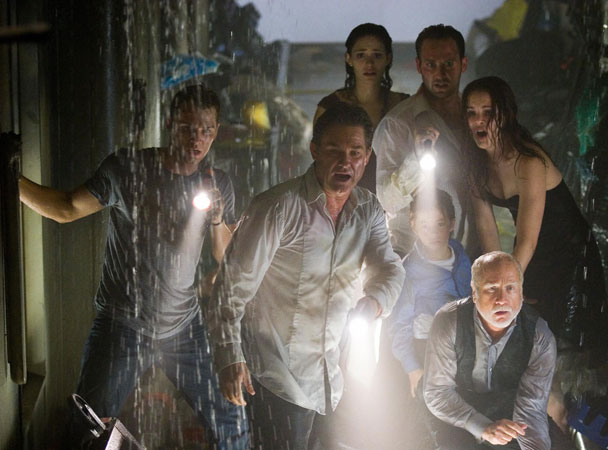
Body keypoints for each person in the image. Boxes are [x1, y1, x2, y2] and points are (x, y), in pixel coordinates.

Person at [18, 85, 248, 448]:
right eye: (188, 128)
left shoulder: (217, 183)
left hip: (183, 327)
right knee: (86, 427)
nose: (197, 140)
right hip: (123, 324)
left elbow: (225, 256)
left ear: (216, 131)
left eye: (206, 130)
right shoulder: (129, 169)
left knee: (231, 421)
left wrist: (218, 218)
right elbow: (66, 208)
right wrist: (12, 182)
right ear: (170, 123)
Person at [207, 102, 405, 450]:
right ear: (315, 150)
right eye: (334, 151)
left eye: (355, 153)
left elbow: (389, 267)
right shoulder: (277, 207)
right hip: (276, 375)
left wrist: (374, 301)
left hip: (334, 375)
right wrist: (229, 356)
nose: (345, 162)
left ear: (367, 156)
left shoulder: (368, 209)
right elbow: (230, 289)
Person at [463, 76, 608, 428]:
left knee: (562, 359)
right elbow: (488, 236)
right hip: (531, 262)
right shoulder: (475, 166)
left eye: (488, 112)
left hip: (570, 259)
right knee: (528, 350)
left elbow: (527, 240)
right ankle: (546, 427)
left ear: (506, 114)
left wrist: (508, 288)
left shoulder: (529, 161)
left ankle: (571, 429)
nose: (478, 121)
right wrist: (493, 286)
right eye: (471, 113)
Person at [423, 251, 556, 450]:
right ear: (474, 293)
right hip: (452, 412)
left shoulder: (539, 336)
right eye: (492, 289)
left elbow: (531, 407)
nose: (502, 299)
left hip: (506, 411)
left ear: (521, 292)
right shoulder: (449, 322)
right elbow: (438, 392)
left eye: (510, 288)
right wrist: (483, 428)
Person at [374, 24, 477, 258]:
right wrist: (417, 160)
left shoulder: (475, 117)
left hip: (469, 252)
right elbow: (387, 201)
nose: (440, 74)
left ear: (463, 64)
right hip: (415, 258)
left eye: (448, 63)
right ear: (419, 66)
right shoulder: (397, 124)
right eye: (431, 64)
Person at [390, 189, 471, 399]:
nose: (433, 232)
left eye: (440, 224)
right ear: (413, 224)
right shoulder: (409, 272)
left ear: (452, 224)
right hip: (428, 346)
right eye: (424, 225)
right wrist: (412, 368)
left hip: (463, 342)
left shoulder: (460, 255)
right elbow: (400, 325)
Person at [314, 23, 409, 192]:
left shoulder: (403, 105)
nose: (369, 63)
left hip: (396, 197)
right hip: (344, 196)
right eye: (361, 55)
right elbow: (319, 161)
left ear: (388, 58)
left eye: (377, 55)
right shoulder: (331, 106)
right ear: (349, 59)